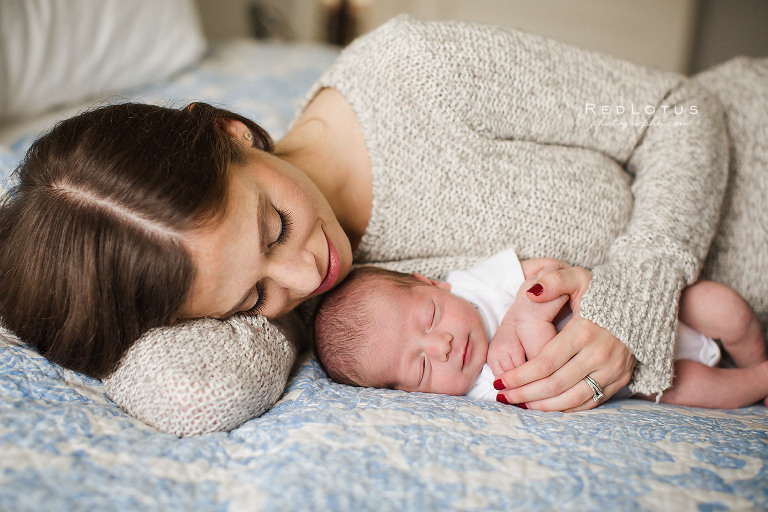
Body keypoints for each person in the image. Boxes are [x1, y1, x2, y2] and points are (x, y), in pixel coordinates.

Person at [0, 15, 766, 433]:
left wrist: (636, 294)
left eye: (273, 227)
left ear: (235, 132)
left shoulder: (415, 74)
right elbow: (192, 392)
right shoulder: (291, 314)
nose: (305, 276)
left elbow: (681, 112)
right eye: (250, 301)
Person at [313, 248, 768, 409]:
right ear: (411, 395)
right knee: (692, 389)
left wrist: (518, 317)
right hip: (646, 378)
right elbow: (552, 389)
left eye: (430, 318)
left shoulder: (479, 282)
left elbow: (551, 270)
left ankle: (756, 358)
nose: (443, 345)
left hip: (651, 309)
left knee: (728, 310)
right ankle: (759, 381)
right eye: (422, 366)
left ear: (432, 282)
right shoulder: (484, 393)